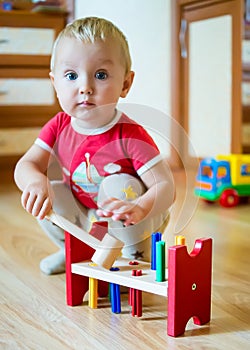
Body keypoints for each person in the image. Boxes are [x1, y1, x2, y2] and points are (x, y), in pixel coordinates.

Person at [14, 17, 175, 275]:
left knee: (119, 186)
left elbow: (165, 185)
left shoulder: (130, 135)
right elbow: (27, 164)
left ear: (125, 84)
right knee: (48, 193)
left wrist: (142, 206)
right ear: (55, 83)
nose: (85, 87)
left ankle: (133, 258)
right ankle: (74, 251)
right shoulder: (59, 125)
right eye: (71, 75)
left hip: (136, 218)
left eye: (100, 75)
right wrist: (34, 181)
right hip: (90, 214)